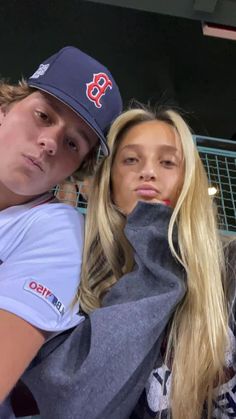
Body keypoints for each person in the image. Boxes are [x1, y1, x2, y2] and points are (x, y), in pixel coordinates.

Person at [22, 105, 235, 419]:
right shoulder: (75, 280)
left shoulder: (229, 269)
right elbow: (75, 404)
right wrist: (155, 239)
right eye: (131, 160)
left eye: (167, 162)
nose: (148, 172)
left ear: (189, 181)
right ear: (108, 185)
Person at [0, 45, 122, 417]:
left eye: (72, 142)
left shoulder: (57, 230)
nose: (50, 143)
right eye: (43, 115)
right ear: (4, 109)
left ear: (76, 167)